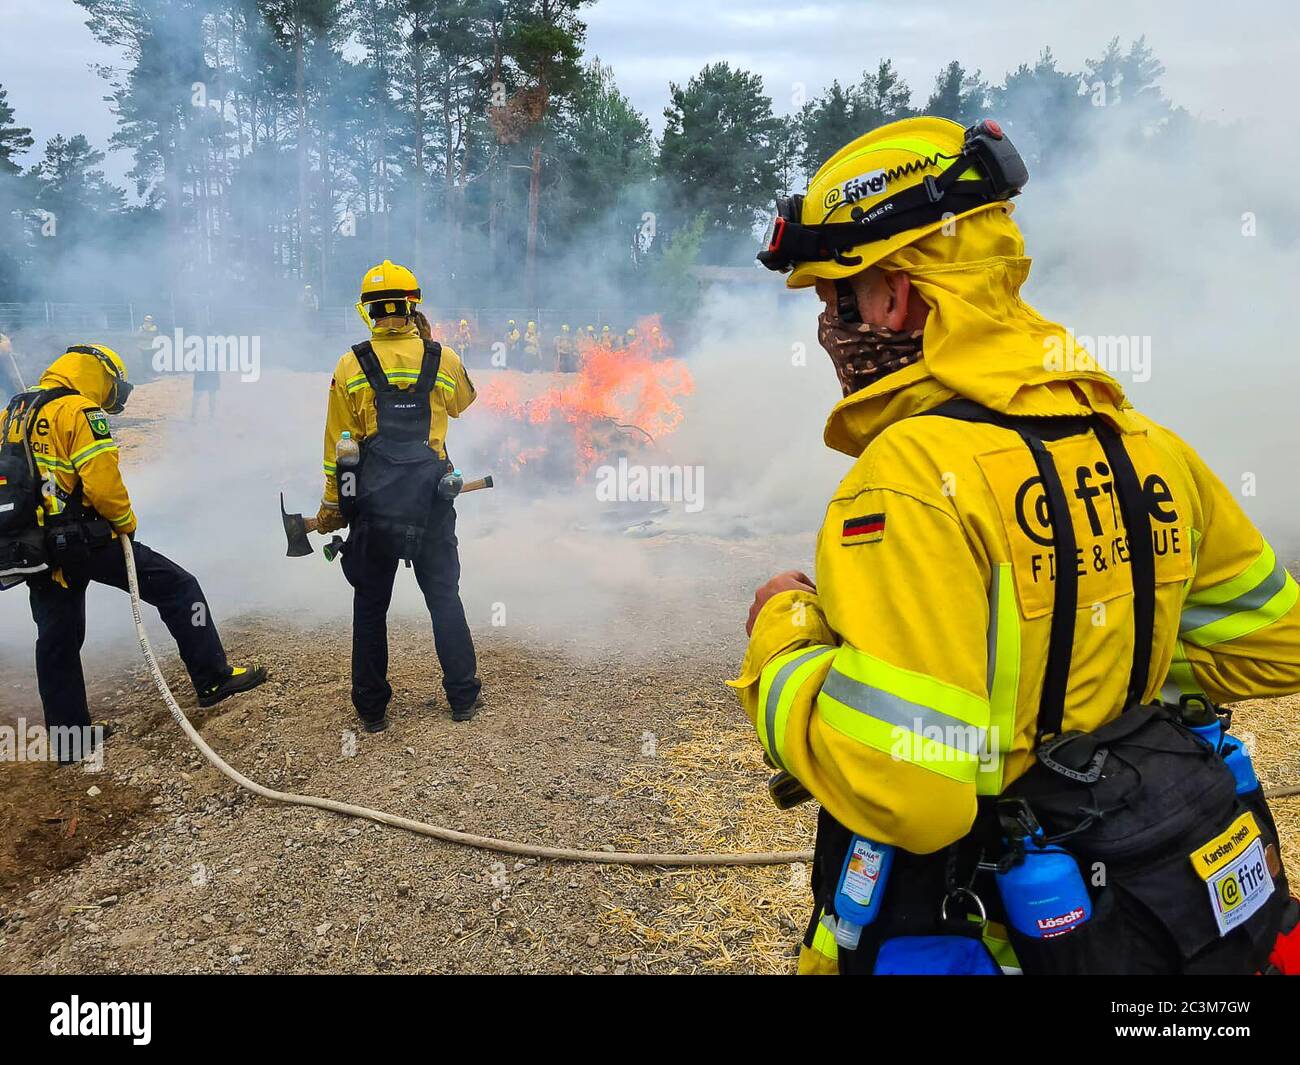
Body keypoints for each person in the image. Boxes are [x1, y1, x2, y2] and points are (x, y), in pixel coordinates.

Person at [737, 116, 1300, 975]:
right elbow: (1273, 641)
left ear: (897, 294)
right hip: (1153, 911)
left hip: (983, 920)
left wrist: (783, 632)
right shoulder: (1144, 444)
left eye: (833, 297)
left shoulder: (908, 477)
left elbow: (910, 789)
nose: (827, 329)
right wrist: (1085, 676)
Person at [3, 344, 266, 763]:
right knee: (179, 588)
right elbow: (103, 484)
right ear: (101, 374)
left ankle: (71, 740)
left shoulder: (16, 408)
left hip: (34, 548)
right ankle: (214, 678)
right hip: (86, 541)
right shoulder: (79, 411)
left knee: (57, 639)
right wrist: (125, 522)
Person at [314, 260, 482, 732]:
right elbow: (463, 402)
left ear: (366, 310)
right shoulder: (442, 358)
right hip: (431, 503)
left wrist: (333, 504)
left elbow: (336, 446)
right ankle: (463, 698)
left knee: (370, 605)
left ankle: (371, 710)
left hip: (374, 508)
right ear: (414, 305)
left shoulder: (350, 364)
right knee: (444, 597)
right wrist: (427, 346)